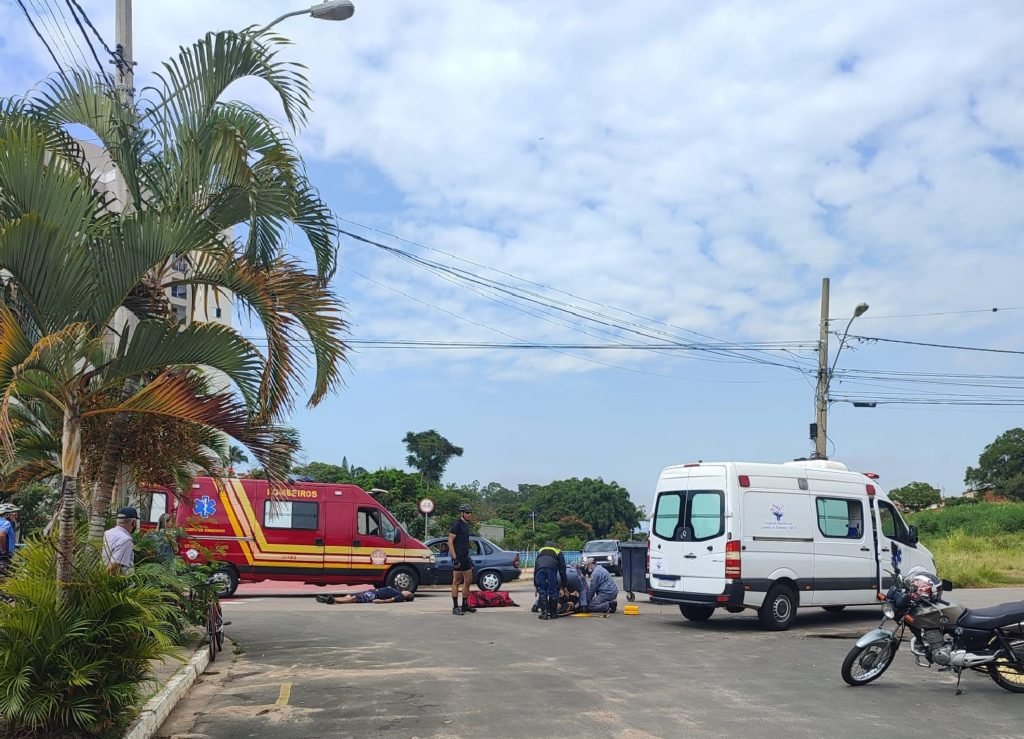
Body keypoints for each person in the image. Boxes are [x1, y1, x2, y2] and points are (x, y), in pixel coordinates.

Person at [448, 503, 477, 615]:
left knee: (468, 580)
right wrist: (454, 557)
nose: (469, 515)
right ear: (462, 513)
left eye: (470, 513)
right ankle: (455, 607)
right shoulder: (457, 525)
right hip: (458, 557)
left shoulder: (467, 525)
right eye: (467, 513)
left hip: (465, 557)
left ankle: (465, 604)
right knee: (456, 581)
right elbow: (450, 541)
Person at [534, 540, 567, 621]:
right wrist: (564, 585)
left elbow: (535, 568)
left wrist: (535, 585)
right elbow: (562, 570)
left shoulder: (541, 550)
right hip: (551, 569)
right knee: (553, 590)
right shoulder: (558, 551)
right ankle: (553, 614)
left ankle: (544, 613)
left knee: (542, 590)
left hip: (539, 569)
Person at [102, 506, 139, 575]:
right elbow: (114, 565)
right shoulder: (125, 540)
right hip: (120, 582)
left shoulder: (108, 533)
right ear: (134, 523)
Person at [316, 587, 414, 604]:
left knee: (353, 599)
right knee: (350, 596)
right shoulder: (398, 592)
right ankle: (329, 599)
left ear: (407, 595)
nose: (406, 591)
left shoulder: (400, 596)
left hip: (373, 595)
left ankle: (333, 600)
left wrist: (381, 601)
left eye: (407, 592)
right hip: (372, 592)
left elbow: (391, 600)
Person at [0, 503, 19, 577]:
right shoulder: (6, 523)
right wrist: (4, 552)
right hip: (2, 557)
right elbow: (1, 535)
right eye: (14, 513)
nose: (15, 515)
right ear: (7, 515)